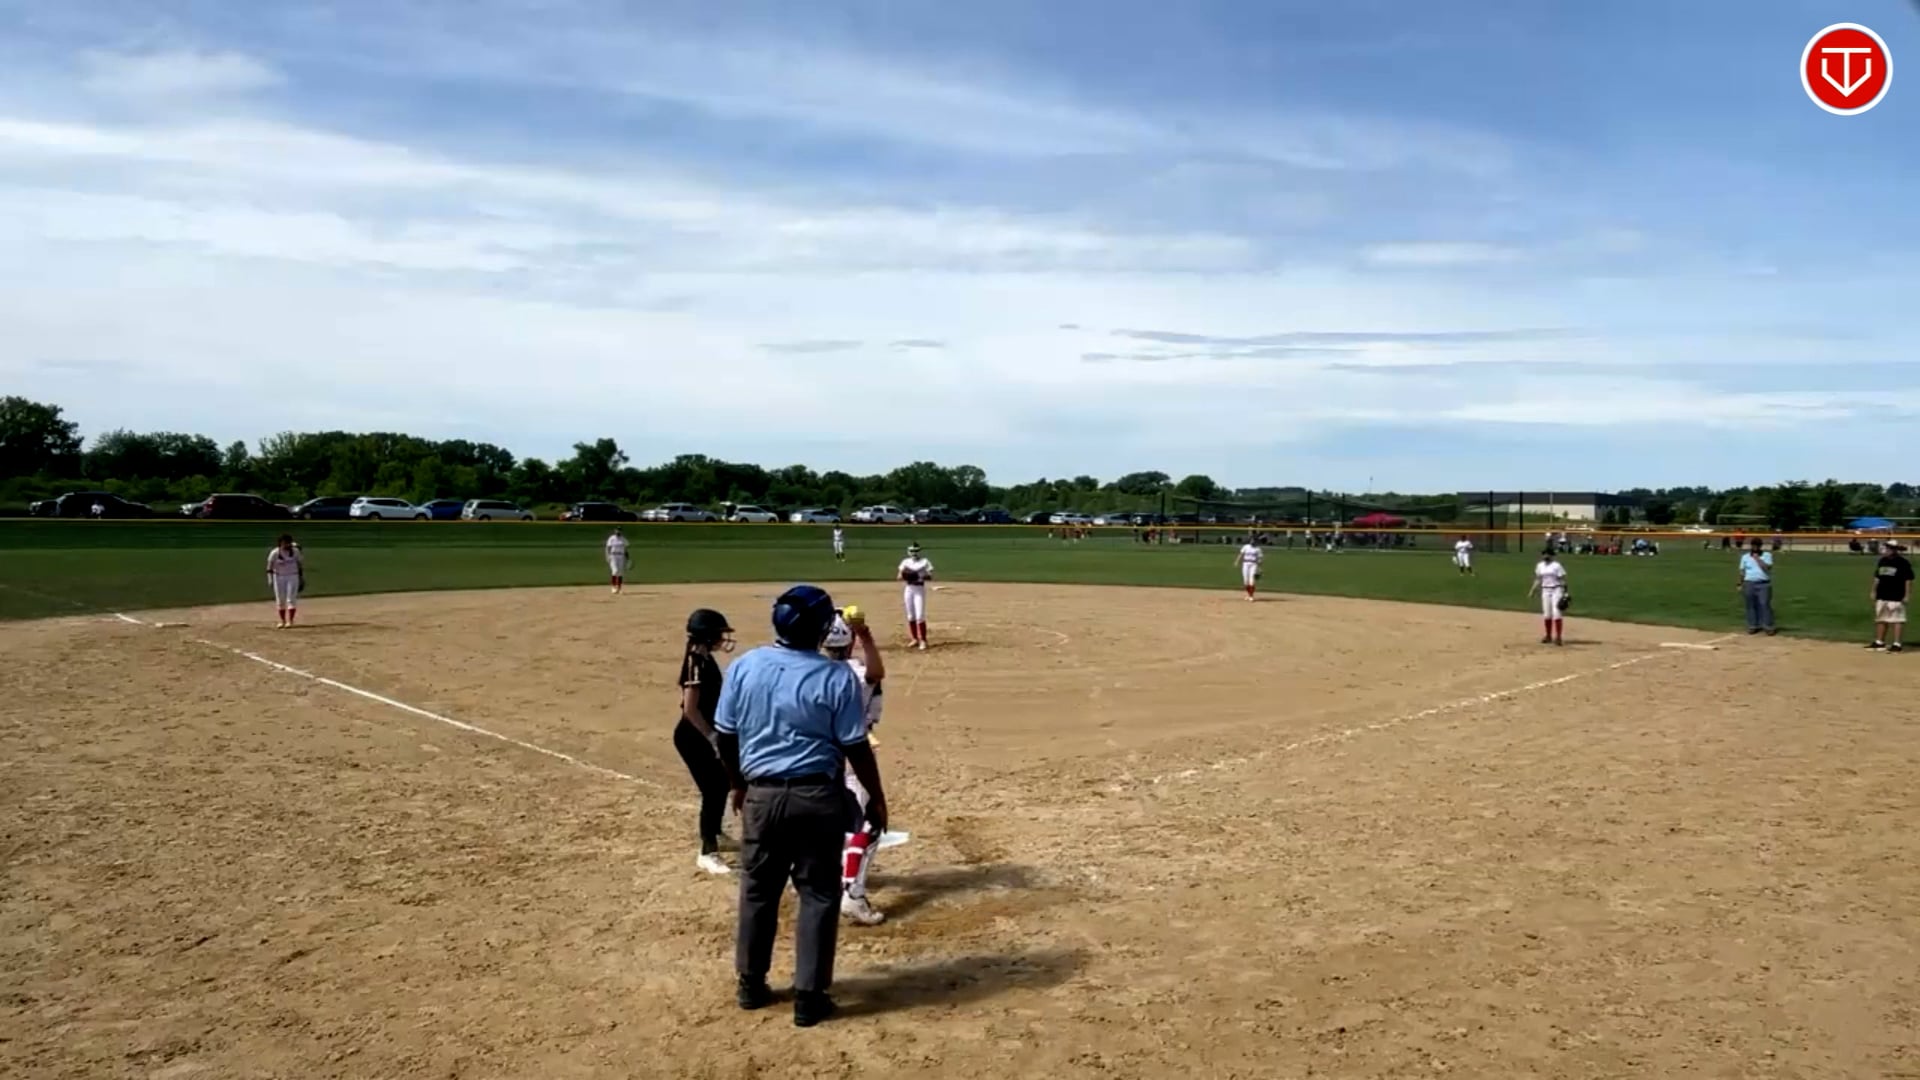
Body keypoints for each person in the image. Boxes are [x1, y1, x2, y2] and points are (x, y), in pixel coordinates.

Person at [713, 584, 889, 1028]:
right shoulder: (836, 678)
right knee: (819, 894)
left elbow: (726, 736)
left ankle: (751, 984)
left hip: (762, 794)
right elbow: (855, 746)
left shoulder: (745, 665)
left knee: (758, 890)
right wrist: (877, 798)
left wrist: (738, 785)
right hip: (817, 797)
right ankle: (809, 997)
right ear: (820, 628)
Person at [822, 607, 888, 926]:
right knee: (869, 824)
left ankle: (819, 879)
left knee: (824, 820)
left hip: (817, 755)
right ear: (849, 643)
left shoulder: (809, 672)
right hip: (854, 754)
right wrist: (866, 634)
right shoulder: (855, 673)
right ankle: (853, 893)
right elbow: (876, 673)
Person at [677, 608, 737, 875]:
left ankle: (715, 833)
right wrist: (711, 737)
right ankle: (707, 852)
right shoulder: (695, 661)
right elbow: (690, 710)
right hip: (693, 736)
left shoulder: (703, 657)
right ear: (707, 634)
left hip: (703, 733)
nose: (722, 638)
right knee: (713, 789)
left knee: (722, 784)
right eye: (718, 633)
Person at [1869, 539, 1913, 653]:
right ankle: (1879, 642)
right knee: (1880, 618)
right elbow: (1877, 577)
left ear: (1894, 550)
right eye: (1886, 548)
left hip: (1896, 595)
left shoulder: (1903, 562)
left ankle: (1897, 644)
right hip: (1882, 594)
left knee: (1897, 620)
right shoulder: (1882, 560)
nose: (1886, 550)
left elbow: (1908, 580)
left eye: (1888, 548)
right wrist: (1873, 591)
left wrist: (1907, 595)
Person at [1526, 546, 1567, 645]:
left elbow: (1562, 580)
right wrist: (1532, 591)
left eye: (1548, 554)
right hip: (1545, 591)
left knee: (1557, 613)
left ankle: (1558, 637)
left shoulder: (1556, 565)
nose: (1546, 556)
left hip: (1556, 590)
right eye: (1544, 554)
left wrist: (1565, 593)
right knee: (1547, 614)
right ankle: (1548, 636)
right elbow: (1538, 579)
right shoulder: (1540, 566)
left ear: (1552, 555)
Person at [897, 542, 935, 650]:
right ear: (908, 552)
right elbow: (898, 577)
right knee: (910, 616)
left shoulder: (925, 561)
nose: (914, 553)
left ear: (919, 551)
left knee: (920, 616)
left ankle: (923, 640)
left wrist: (918, 576)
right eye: (912, 551)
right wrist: (907, 576)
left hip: (919, 589)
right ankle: (914, 639)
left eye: (916, 551)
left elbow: (930, 576)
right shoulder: (905, 562)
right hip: (909, 589)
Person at [1736, 537, 1776, 636]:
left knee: (1764, 604)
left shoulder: (1767, 555)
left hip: (1763, 584)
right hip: (1749, 583)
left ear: (1760, 546)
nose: (1755, 547)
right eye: (1754, 545)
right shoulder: (1745, 557)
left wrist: (1757, 559)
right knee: (1750, 605)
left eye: (1757, 546)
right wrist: (1740, 583)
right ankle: (1753, 625)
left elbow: (1767, 568)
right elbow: (1742, 571)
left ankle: (1768, 626)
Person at [266, 534, 304, 629]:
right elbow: (269, 567)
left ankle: (290, 621)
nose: (287, 545)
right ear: (280, 543)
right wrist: (270, 579)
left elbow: (299, 565)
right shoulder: (274, 553)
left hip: (293, 575)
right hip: (278, 576)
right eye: (285, 543)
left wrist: (301, 578)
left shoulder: (295, 552)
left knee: (291, 599)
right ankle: (282, 621)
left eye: (288, 543)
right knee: (280, 599)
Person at [1234, 535, 1263, 601]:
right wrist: (1237, 561)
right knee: (1245, 581)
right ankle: (1249, 594)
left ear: (1256, 541)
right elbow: (1241, 554)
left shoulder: (1258, 549)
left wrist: (1260, 568)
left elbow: (1259, 559)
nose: (1252, 541)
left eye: (1254, 540)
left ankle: (1251, 596)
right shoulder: (1246, 547)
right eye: (1252, 540)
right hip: (1245, 564)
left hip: (1253, 564)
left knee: (1252, 580)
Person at [605, 528, 630, 595]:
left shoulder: (623, 539)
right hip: (613, 556)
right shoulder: (611, 538)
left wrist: (628, 559)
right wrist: (607, 556)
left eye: (619, 530)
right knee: (615, 571)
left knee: (620, 573)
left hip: (621, 556)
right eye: (617, 530)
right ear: (615, 531)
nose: (618, 531)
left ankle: (619, 588)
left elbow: (625, 550)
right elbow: (608, 548)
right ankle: (613, 587)